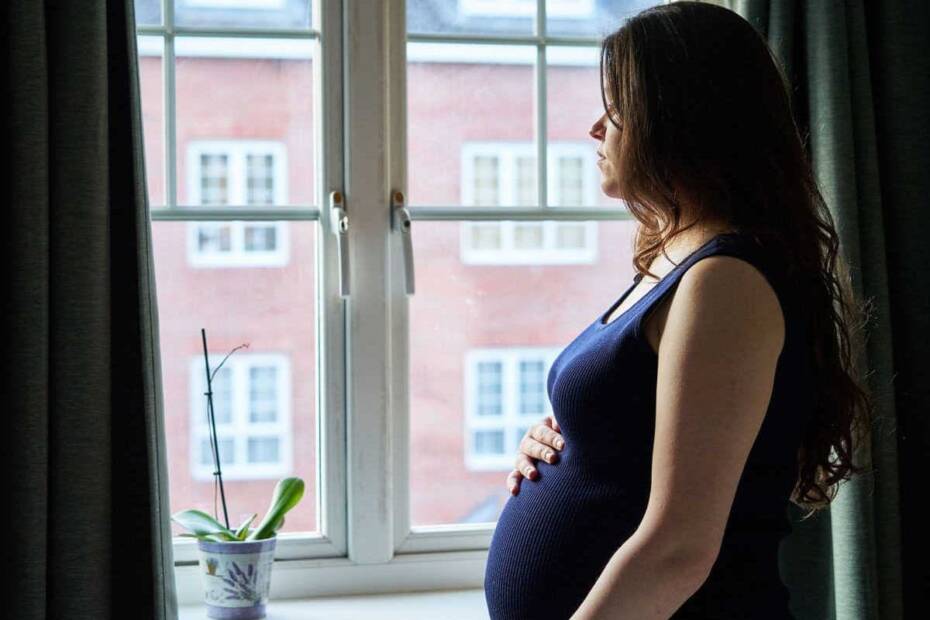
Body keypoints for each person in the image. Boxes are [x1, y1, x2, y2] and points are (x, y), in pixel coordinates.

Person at [482, 2, 874, 619]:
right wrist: (564, 444)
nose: (596, 128)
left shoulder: (726, 282)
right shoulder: (677, 257)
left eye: (616, 108)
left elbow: (679, 547)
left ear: (678, 118)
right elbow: (638, 436)